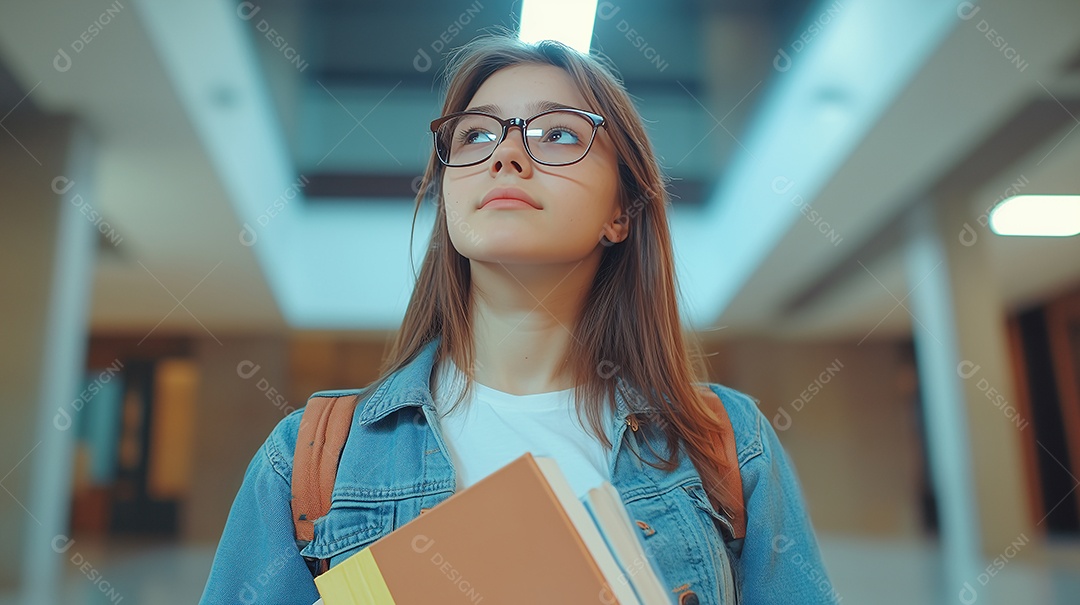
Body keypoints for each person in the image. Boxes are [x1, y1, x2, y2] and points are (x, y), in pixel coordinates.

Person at [201, 34, 835, 605]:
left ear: (621, 210)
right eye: (476, 134)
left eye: (557, 133)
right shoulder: (312, 459)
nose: (505, 155)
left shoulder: (726, 445)